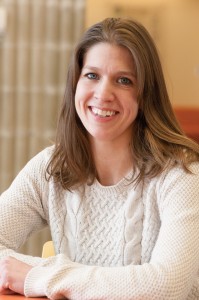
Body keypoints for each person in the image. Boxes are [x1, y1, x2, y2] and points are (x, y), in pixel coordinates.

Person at [0, 17, 199, 300]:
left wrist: (40, 275)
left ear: (146, 95)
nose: (103, 93)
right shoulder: (51, 167)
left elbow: (167, 285)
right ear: (75, 84)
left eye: (124, 80)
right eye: (92, 75)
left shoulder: (182, 174)